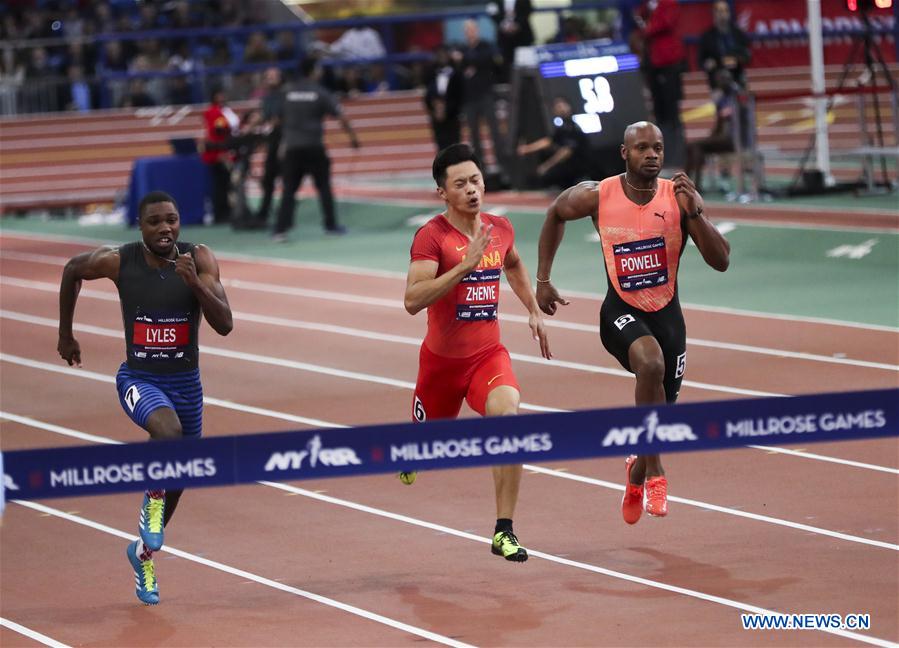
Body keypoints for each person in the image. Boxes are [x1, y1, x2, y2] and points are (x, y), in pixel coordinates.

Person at [535, 122, 729, 524]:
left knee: (660, 415)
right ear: (625, 153)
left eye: (658, 147)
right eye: (642, 148)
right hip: (620, 312)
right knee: (651, 363)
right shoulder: (597, 195)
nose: (652, 154)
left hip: (668, 317)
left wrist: (695, 211)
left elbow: (721, 261)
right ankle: (656, 473)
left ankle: (636, 471)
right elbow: (555, 213)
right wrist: (543, 280)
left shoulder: (678, 198)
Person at [57, 191, 233, 604]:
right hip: (139, 379)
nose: (165, 228)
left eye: (171, 219)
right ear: (140, 226)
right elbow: (72, 269)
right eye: (155, 221)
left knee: (180, 476)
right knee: (167, 433)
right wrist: (66, 334)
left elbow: (225, 324)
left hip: (186, 385)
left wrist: (194, 284)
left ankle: (142, 556)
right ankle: (151, 501)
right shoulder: (120, 261)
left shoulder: (199, 258)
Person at [403, 143, 551, 562]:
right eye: (460, 184)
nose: (471, 190)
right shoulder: (431, 237)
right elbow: (412, 300)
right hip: (441, 366)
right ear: (442, 192)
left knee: (509, 421)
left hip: (488, 357)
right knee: (427, 445)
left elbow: (514, 264)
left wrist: (533, 309)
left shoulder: (499, 228)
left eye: (475, 181)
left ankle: (504, 530)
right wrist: (463, 267)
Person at [274, 57, 360, 241]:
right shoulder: (320, 92)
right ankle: (331, 226)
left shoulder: (287, 91)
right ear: (313, 71)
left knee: (289, 189)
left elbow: (278, 119)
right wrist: (353, 139)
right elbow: (342, 116)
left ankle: (280, 230)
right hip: (314, 146)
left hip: (292, 147)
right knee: (324, 187)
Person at [634, 0, 686, 167]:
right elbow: (638, 19)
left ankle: (676, 156)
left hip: (668, 62)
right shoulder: (647, 6)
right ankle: (661, 153)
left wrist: (646, 28)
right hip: (653, 64)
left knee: (671, 111)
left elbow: (664, 23)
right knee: (659, 111)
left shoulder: (669, 3)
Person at [457, 20, 506, 177]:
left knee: (495, 131)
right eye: (467, 30)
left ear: (477, 30)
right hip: (469, 98)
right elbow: (458, 69)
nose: (470, 33)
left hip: (486, 95)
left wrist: (467, 60)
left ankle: (503, 166)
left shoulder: (486, 46)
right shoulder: (463, 48)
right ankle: (480, 169)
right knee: (474, 135)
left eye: (472, 29)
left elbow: (489, 60)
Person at [516, 96, 589, 190]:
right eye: (558, 107)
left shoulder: (574, 127)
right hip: (566, 168)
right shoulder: (561, 127)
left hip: (579, 169)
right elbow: (548, 141)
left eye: (563, 106)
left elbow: (566, 152)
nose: (561, 109)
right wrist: (527, 149)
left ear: (569, 107)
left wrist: (546, 167)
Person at [202, 88, 240, 224]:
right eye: (219, 95)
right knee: (220, 185)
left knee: (227, 184)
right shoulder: (213, 112)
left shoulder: (226, 110)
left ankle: (228, 211)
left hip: (227, 150)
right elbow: (218, 132)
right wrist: (222, 152)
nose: (222, 97)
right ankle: (221, 213)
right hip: (219, 153)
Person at [253, 66, 284, 228]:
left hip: (286, 142)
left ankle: (285, 214)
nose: (270, 79)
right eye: (268, 76)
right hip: (272, 143)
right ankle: (264, 212)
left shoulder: (285, 96)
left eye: (274, 76)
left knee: (288, 180)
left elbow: (281, 118)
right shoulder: (267, 99)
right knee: (268, 180)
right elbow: (264, 118)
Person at [698, 0, 751, 93]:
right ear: (714, 14)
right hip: (717, 79)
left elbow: (747, 55)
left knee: (745, 94)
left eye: (725, 11)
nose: (723, 14)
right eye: (719, 11)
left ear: (729, 13)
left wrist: (737, 59)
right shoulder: (707, 36)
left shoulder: (738, 33)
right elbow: (701, 61)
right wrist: (707, 64)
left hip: (737, 76)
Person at [424, 45, 463, 152]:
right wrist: (435, 108)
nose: (442, 57)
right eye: (439, 54)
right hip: (436, 115)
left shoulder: (456, 73)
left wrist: (447, 109)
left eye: (444, 54)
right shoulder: (431, 73)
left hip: (452, 115)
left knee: (454, 144)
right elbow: (427, 94)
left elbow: (459, 95)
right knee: (440, 145)